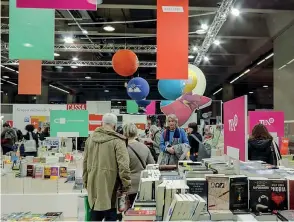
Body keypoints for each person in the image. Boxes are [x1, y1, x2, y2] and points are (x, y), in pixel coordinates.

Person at [83, 113, 131, 221]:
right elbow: (124, 166)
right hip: (112, 188)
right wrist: (126, 185)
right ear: (115, 125)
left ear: (102, 123)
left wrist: (86, 182)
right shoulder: (118, 141)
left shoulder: (90, 139)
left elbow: (85, 163)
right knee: (111, 215)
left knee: (95, 216)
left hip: (93, 186)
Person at [123, 123, 155, 206]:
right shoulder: (144, 147)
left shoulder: (122, 149)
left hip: (127, 187)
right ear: (136, 133)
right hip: (142, 185)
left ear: (124, 133)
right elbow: (152, 165)